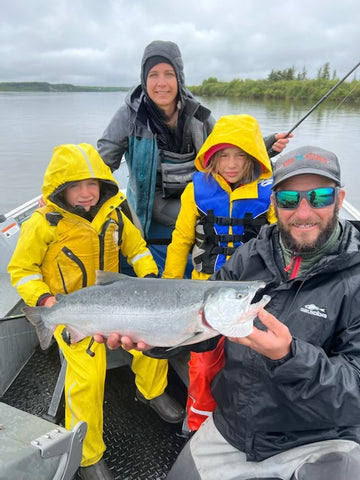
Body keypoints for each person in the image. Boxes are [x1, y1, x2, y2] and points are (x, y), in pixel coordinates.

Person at [102, 145, 360, 479]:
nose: (304, 212)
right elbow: (206, 333)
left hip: (322, 437)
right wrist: (154, 339)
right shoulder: (249, 257)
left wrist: (289, 357)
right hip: (235, 426)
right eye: (289, 200)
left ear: (339, 200)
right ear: (274, 203)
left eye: (320, 197)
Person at [7, 143, 184, 480]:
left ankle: (152, 393)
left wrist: (149, 281)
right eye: (76, 186)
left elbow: (137, 248)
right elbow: (22, 269)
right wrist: (44, 301)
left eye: (93, 185)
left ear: (103, 185)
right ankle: (87, 455)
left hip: (118, 302)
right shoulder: (44, 224)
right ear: (61, 190)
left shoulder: (115, 212)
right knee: (86, 380)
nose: (87, 194)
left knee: (151, 342)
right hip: (69, 309)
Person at [97, 39, 290, 273]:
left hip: (201, 188)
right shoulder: (129, 115)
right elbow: (101, 163)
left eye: (169, 74)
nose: (161, 83)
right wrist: (63, 189)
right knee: (214, 214)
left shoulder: (198, 114)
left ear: (179, 77)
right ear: (143, 78)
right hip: (155, 200)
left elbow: (226, 144)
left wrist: (264, 147)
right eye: (153, 75)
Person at [162, 114, 277, 433]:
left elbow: (281, 241)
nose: (230, 163)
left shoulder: (270, 193)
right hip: (206, 295)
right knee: (202, 366)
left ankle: (244, 424)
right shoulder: (195, 191)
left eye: (240, 155)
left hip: (250, 296)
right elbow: (181, 240)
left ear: (253, 156)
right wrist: (171, 287)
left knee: (251, 364)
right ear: (211, 156)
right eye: (223, 154)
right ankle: (198, 424)